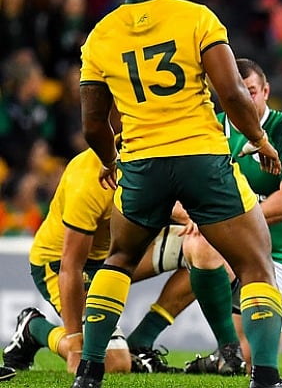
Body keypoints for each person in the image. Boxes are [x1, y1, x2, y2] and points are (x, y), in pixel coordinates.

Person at [73, 0, 282, 388]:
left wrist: (110, 160)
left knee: (117, 259)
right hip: (201, 159)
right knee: (255, 266)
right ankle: (265, 378)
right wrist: (260, 140)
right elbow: (231, 93)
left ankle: (89, 373)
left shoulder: (100, 36)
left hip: (142, 164)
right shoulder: (197, 17)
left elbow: (92, 124)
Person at [1, 146, 191, 375]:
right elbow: (70, 265)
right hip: (58, 262)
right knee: (113, 364)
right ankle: (34, 328)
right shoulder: (88, 180)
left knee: (204, 249)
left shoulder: (153, 155)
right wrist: (73, 344)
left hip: (114, 255)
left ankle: (141, 342)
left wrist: (190, 214)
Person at [181, 58, 282, 373]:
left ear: (266, 91)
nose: (244, 99)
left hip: (275, 254)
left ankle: (222, 359)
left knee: (253, 362)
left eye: (251, 91)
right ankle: (144, 337)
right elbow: (177, 186)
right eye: (237, 92)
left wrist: (232, 219)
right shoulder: (208, 130)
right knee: (196, 246)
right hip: (220, 246)